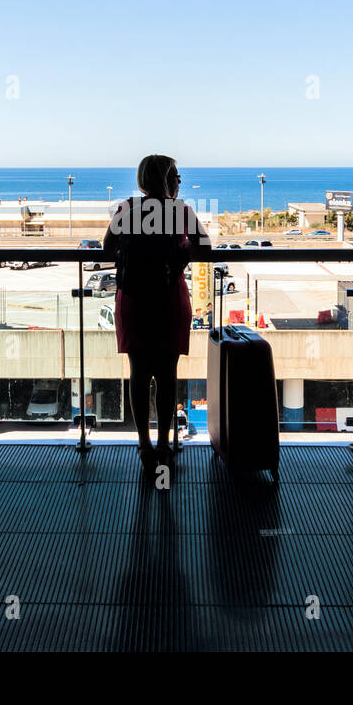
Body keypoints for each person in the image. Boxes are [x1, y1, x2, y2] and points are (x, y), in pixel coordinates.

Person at [101, 155, 207, 470]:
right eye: (175, 175)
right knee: (166, 374)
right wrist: (178, 256)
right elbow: (203, 247)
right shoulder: (180, 212)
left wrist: (135, 260)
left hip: (134, 299)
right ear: (163, 179)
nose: (179, 181)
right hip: (168, 299)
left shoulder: (127, 209)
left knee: (139, 373)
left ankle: (144, 446)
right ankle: (163, 444)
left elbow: (108, 246)